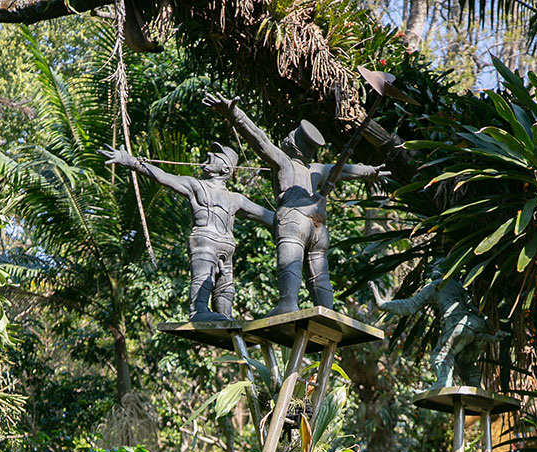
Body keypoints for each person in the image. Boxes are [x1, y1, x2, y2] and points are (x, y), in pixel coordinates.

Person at [203, 93, 385, 315]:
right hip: (319, 226)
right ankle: (326, 309)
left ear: (293, 144)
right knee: (319, 270)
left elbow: (260, 141)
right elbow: (345, 170)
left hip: (294, 219)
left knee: (291, 260)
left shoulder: (284, 163)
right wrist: (369, 171)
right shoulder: (316, 169)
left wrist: (235, 115)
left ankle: (288, 302)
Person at [101, 143, 274, 321]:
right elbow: (163, 177)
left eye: (215, 154)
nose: (208, 153)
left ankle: (225, 316)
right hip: (204, 242)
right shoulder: (196, 186)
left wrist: (295, 216)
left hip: (227, 247)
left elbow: (269, 217)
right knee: (202, 279)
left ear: (225, 168)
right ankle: (198, 312)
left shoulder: (236, 199)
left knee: (226, 287)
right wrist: (133, 162)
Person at [371, 264, 507, 389]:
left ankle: (444, 384)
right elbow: (477, 310)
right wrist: (493, 330)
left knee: (439, 356)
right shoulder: (459, 286)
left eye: (434, 267)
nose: (431, 271)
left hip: (457, 324)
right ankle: (476, 388)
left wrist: (383, 304)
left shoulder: (436, 286)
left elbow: (409, 306)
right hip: (477, 324)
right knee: (466, 363)